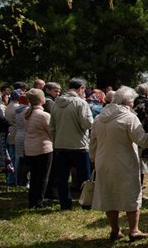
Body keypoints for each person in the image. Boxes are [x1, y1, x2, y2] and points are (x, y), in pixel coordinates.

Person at [90, 86, 148, 241]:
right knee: (131, 193)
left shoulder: (99, 118)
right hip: (124, 161)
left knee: (109, 194)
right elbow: (140, 139)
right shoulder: (128, 117)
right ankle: (134, 230)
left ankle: (115, 230)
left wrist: (94, 159)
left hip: (103, 161)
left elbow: (92, 143)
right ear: (128, 102)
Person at [50, 78, 93, 210]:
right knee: (85, 177)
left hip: (60, 145)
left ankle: (65, 204)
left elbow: (51, 127)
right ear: (80, 88)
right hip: (78, 145)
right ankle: (86, 203)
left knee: (62, 178)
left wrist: (55, 141)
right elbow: (87, 124)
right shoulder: (81, 103)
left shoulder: (56, 104)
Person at [23, 89, 53, 208]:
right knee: (43, 176)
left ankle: (32, 199)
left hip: (30, 148)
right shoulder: (44, 115)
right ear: (41, 99)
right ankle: (39, 201)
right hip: (43, 147)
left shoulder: (26, 113)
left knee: (34, 175)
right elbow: (51, 131)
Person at [133, 84, 148, 197]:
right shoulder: (147, 103)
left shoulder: (132, 101)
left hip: (132, 135)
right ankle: (139, 190)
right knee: (141, 165)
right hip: (144, 136)